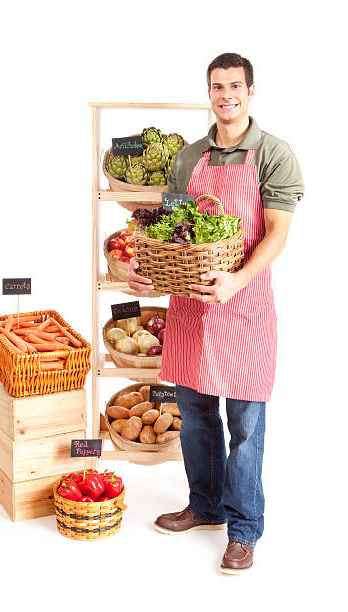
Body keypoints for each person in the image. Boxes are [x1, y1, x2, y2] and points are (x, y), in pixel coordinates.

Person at [127, 53, 304, 575]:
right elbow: (173, 234)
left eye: (234, 85)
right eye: (216, 86)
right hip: (189, 308)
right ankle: (204, 507)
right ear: (209, 92)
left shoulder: (273, 153)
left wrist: (235, 280)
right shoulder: (189, 157)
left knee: (246, 424)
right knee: (196, 418)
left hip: (243, 303)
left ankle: (244, 528)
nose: (225, 94)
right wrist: (147, 273)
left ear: (251, 91)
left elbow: (277, 233)